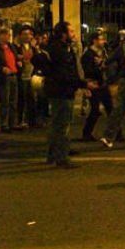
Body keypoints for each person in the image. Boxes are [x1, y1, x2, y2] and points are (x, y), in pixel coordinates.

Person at [44, 22, 98, 169]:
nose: (74, 34)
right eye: (71, 31)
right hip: (62, 91)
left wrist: (82, 83)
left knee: (57, 124)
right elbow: (65, 75)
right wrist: (84, 84)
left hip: (60, 90)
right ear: (63, 34)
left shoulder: (61, 48)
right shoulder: (60, 51)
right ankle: (61, 157)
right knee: (62, 125)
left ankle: (52, 154)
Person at [81, 31, 115, 141]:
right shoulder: (88, 55)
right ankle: (86, 133)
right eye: (101, 39)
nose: (103, 41)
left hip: (103, 84)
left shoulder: (103, 52)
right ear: (94, 41)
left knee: (110, 109)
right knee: (95, 110)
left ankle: (115, 133)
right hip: (93, 84)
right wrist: (101, 66)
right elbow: (88, 71)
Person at [0, 28, 20, 132]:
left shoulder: (11, 46)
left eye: (9, 34)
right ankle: (4, 123)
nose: (8, 36)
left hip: (13, 75)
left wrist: (18, 62)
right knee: (4, 101)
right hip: (3, 77)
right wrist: (2, 68)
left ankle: (12, 123)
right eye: (6, 34)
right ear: (0, 35)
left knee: (13, 101)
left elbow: (14, 57)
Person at [15, 24, 37, 128]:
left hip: (31, 75)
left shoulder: (33, 47)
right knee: (21, 99)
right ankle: (20, 120)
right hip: (21, 76)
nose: (27, 36)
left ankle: (32, 120)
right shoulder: (16, 47)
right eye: (25, 34)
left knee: (31, 99)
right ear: (20, 35)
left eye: (29, 34)